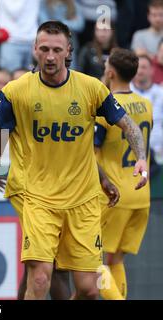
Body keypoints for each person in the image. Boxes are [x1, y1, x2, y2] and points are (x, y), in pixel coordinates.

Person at [0, 21, 148, 300]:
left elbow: (127, 125)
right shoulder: (17, 91)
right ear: (34, 50)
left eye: (57, 50)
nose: (50, 56)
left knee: (89, 290)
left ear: (68, 51)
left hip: (83, 200)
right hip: (38, 198)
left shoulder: (91, 89)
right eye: (44, 49)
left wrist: (141, 158)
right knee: (41, 277)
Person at [96, 48, 153, 300]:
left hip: (112, 194)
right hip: (142, 194)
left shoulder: (105, 110)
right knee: (116, 258)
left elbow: (91, 151)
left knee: (92, 259)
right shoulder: (147, 104)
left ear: (110, 72)